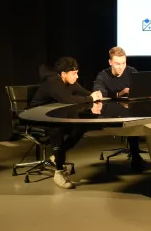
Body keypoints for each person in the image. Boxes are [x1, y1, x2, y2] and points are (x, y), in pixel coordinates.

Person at [30, 56, 102, 189]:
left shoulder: (68, 81)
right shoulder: (53, 81)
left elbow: (84, 93)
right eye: (74, 73)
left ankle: (57, 155)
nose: (77, 76)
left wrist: (95, 95)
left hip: (55, 116)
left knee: (81, 125)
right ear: (63, 74)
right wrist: (89, 98)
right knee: (57, 128)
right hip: (37, 118)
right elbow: (66, 99)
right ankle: (59, 172)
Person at [92, 46, 145, 170]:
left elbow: (142, 88)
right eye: (117, 64)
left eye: (123, 63)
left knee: (134, 118)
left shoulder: (131, 71)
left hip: (129, 112)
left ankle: (136, 155)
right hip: (110, 114)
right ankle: (135, 154)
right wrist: (118, 94)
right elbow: (97, 92)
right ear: (110, 62)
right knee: (131, 121)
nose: (121, 67)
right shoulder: (103, 75)